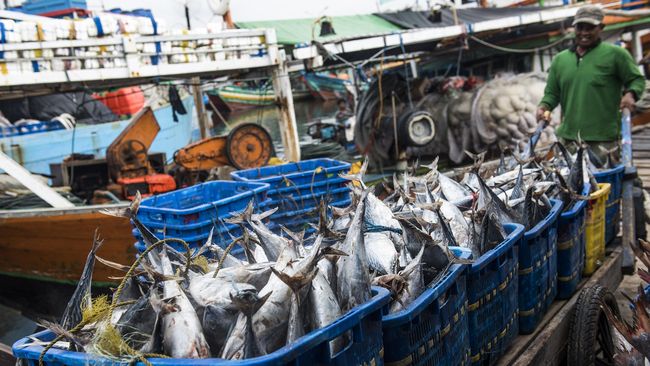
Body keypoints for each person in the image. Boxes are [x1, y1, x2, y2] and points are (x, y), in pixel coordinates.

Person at [537, 5, 645, 163]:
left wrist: (630, 94)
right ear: (574, 28)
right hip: (568, 141)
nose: (584, 33)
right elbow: (552, 94)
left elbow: (637, 80)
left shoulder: (616, 55)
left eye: (590, 28)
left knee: (608, 184)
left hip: (604, 142)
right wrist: (544, 107)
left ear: (601, 27)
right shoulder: (560, 60)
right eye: (580, 27)